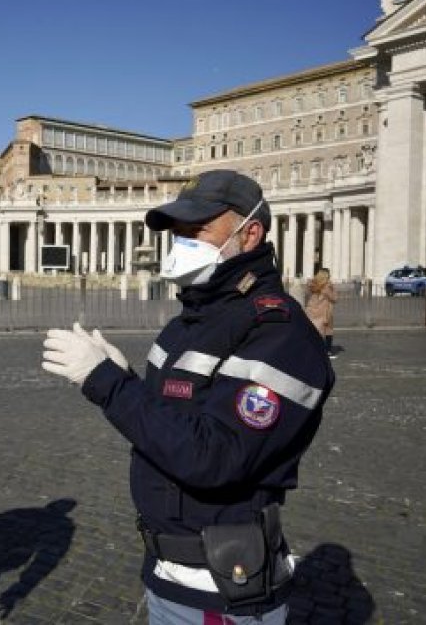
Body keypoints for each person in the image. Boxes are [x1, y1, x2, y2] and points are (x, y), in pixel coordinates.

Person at [42, 170, 335, 623]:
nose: (182, 244)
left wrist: (108, 383)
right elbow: (169, 422)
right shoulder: (190, 321)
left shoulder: (279, 332)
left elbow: (213, 456)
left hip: (222, 588)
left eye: (197, 231)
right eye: (178, 234)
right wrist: (127, 378)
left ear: (250, 232)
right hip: (171, 570)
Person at [304, 268, 338, 359]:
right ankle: (327, 351)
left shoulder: (313, 285)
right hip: (324, 312)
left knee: (315, 332)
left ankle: (313, 350)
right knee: (328, 332)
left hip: (312, 311)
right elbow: (334, 298)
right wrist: (332, 288)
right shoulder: (327, 287)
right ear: (326, 276)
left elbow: (307, 296)